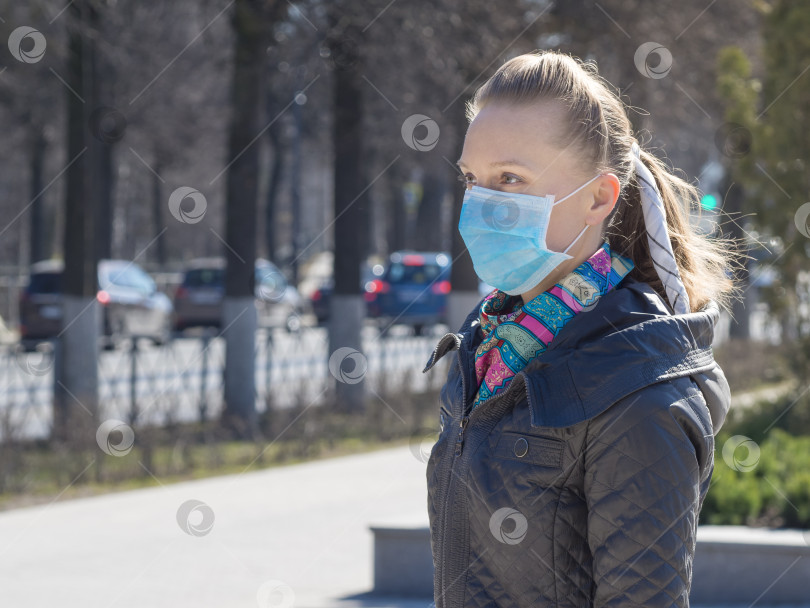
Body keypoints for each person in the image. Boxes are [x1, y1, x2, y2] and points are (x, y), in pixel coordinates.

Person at [422, 50, 738, 608]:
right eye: (474, 178)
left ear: (599, 197)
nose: (481, 204)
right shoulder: (489, 345)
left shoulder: (641, 390)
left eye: (511, 178)